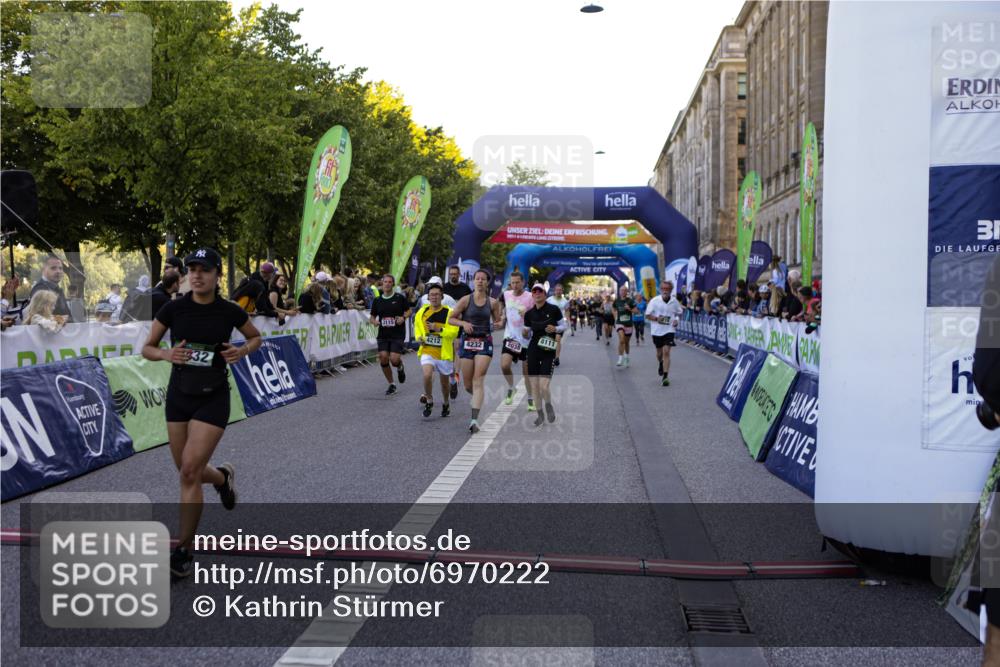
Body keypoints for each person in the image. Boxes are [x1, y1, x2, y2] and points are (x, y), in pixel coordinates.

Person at [140, 247, 262, 578]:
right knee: (185, 469)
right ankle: (222, 478)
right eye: (191, 269)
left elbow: (255, 337)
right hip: (179, 397)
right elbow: (147, 348)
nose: (196, 275)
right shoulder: (173, 308)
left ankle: (183, 550)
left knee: (190, 472)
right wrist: (167, 355)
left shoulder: (229, 311)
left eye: (204, 270)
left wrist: (242, 350)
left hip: (214, 397)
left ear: (217, 275)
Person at [449, 269, 504, 433]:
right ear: (474, 281)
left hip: (484, 341)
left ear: (487, 282)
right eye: (477, 278)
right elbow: (451, 318)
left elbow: (498, 320)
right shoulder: (466, 300)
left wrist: (500, 323)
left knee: (478, 379)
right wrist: (463, 324)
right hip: (467, 342)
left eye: (483, 279)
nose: (480, 281)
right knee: (467, 384)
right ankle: (478, 398)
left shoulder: (493, 302)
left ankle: (474, 419)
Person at [413, 283, 460, 418]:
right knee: (427, 375)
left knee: (445, 385)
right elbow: (417, 327)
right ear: (428, 297)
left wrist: (439, 329)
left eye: (437, 294)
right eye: (432, 295)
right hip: (427, 350)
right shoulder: (422, 312)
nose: (434, 297)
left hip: (444, 354)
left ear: (442, 296)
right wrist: (419, 338)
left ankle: (445, 403)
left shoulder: (449, 312)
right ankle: (429, 400)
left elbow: (454, 332)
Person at [523, 282, 566, 426]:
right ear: (532, 295)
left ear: (544, 294)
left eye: (539, 291)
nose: (537, 293)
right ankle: (540, 414)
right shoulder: (529, 314)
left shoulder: (553, 309)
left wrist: (555, 328)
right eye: (534, 291)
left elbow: (563, 326)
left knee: (544, 386)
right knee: (534, 386)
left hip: (548, 350)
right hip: (534, 349)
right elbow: (526, 333)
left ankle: (548, 405)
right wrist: (524, 332)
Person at [369, 274, 411, 395]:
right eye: (385, 282)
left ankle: (399, 366)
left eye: (389, 282)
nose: (387, 284)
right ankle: (391, 384)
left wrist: (403, 318)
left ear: (393, 284)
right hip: (383, 334)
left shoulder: (399, 298)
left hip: (397, 333)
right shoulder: (377, 300)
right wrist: (375, 322)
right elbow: (371, 317)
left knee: (394, 359)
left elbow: (409, 311)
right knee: (383, 357)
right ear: (382, 284)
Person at [499, 271, 535, 409]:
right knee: (504, 365)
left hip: (526, 339)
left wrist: (528, 315)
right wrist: (502, 317)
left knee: (526, 372)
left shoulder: (530, 297)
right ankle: (511, 388)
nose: (514, 285)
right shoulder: (506, 294)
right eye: (512, 282)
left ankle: (530, 398)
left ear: (523, 282)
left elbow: (536, 314)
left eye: (517, 282)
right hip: (511, 336)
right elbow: (504, 309)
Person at [645, 280, 683, 386]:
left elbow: (679, 313)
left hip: (669, 330)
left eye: (667, 289)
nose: (665, 291)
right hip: (657, 331)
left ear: (671, 290)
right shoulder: (654, 301)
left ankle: (665, 377)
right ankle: (661, 363)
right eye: (663, 289)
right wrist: (657, 319)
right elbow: (647, 315)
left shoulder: (674, 301)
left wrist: (676, 320)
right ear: (660, 289)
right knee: (659, 353)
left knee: (666, 351)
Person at [29, 255, 73, 322]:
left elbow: (69, 316)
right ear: (43, 270)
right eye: (53, 268)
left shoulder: (58, 289)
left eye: (60, 268)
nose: (58, 271)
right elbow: (40, 318)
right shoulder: (40, 290)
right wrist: (61, 319)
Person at [612, 285, 638, 367]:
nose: (623, 292)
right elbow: (613, 308)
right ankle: (620, 358)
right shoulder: (616, 301)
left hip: (629, 324)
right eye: (621, 290)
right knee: (622, 340)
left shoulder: (630, 301)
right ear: (619, 292)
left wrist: (629, 309)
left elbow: (636, 311)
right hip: (619, 322)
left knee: (626, 342)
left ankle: (626, 357)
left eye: (624, 290)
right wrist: (615, 316)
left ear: (627, 292)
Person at [546, 283, 570, 367]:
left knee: (558, 339)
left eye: (560, 290)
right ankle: (549, 356)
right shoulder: (549, 300)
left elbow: (567, 311)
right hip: (550, 322)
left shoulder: (565, 301)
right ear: (554, 291)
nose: (558, 291)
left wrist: (567, 320)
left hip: (560, 323)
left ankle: (556, 358)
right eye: (557, 290)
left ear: (562, 291)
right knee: (550, 340)